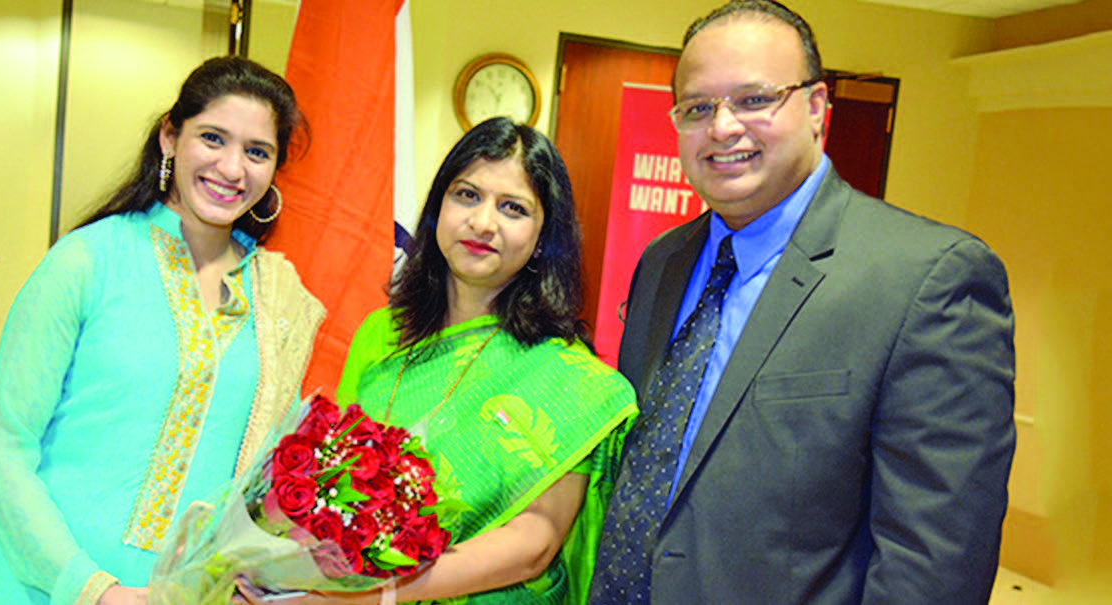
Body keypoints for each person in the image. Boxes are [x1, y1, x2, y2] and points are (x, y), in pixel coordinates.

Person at [588, 1, 1016, 604]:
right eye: (698, 108)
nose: (723, 127)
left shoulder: (927, 280)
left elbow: (935, 564)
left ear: (817, 108)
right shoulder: (662, 261)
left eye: (755, 99)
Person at [0, 56, 326, 605]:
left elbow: (261, 480)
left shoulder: (280, 299)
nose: (232, 168)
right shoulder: (86, 261)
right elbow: (3, 452)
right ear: (170, 137)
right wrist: (92, 590)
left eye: (257, 152)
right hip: (36, 587)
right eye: (213, 138)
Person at [234, 117, 638, 605]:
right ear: (438, 207)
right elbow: (330, 488)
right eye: (467, 195)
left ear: (542, 237)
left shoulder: (570, 380)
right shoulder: (381, 334)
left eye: (513, 208)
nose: (483, 222)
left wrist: (368, 599)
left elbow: (536, 542)